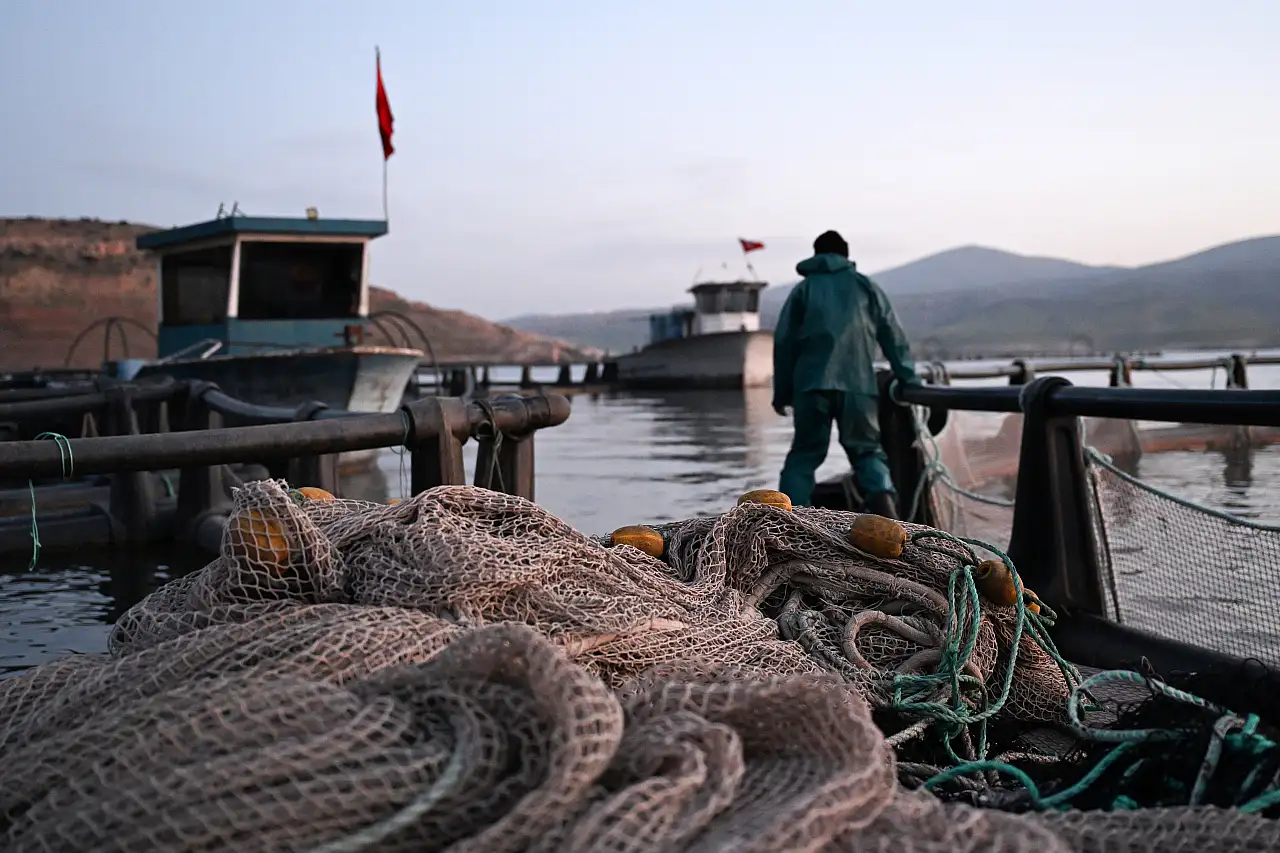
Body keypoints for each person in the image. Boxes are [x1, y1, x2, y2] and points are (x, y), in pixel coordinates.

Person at [772, 230, 918, 517]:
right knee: (866, 452)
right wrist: (908, 378)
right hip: (858, 385)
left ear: (815, 256)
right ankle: (890, 520)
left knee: (804, 456)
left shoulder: (803, 290)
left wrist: (782, 392)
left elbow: (784, 343)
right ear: (847, 256)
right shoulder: (865, 287)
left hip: (810, 385)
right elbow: (892, 335)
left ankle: (789, 525)